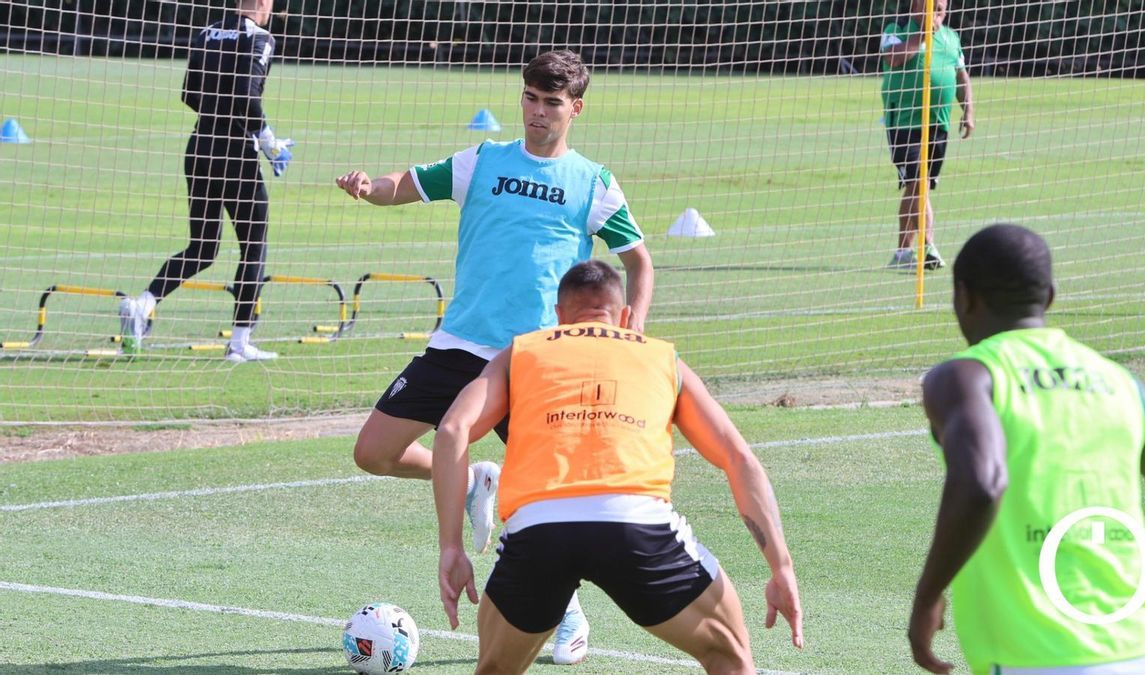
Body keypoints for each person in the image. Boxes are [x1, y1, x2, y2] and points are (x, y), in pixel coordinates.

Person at [334, 49, 654, 664]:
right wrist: (367, 187)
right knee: (373, 452)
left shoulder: (594, 181)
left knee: (549, 504)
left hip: (535, 359)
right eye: (530, 99)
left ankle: (569, 614)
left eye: (551, 103)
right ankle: (479, 479)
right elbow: (404, 186)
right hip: (458, 343)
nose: (537, 112)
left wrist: (632, 325)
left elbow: (638, 260)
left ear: (575, 109)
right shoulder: (481, 161)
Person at [432, 260, 803, 674]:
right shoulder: (663, 359)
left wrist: (452, 546)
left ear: (558, 316)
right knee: (729, 657)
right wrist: (781, 567)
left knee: (495, 670)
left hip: (538, 529)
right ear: (625, 317)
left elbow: (452, 430)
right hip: (636, 524)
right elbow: (738, 457)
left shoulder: (522, 352)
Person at [908, 223, 1145, 674]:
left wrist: (927, 597)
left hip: (1036, 657)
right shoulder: (1120, 381)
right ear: (1049, 298)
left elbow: (983, 482)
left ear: (963, 297)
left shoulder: (967, 376)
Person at [119, 0, 294, 362]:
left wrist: (217, 117)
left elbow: (188, 93)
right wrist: (268, 142)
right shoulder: (259, 38)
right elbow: (247, 95)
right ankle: (239, 343)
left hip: (199, 148)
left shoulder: (206, 32)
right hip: (235, 154)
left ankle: (143, 304)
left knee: (202, 247)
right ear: (262, 3)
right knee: (254, 246)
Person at [880, 0, 974, 271]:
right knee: (917, 181)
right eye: (929, 7)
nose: (935, 12)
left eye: (940, 7)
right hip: (904, 123)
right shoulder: (896, 28)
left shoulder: (951, 37)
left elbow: (961, 77)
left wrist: (968, 112)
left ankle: (902, 253)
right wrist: (922, 35)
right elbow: (892, 57)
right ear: (915, 8)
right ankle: (928, 246)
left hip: (938, 124)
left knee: (919, 185)